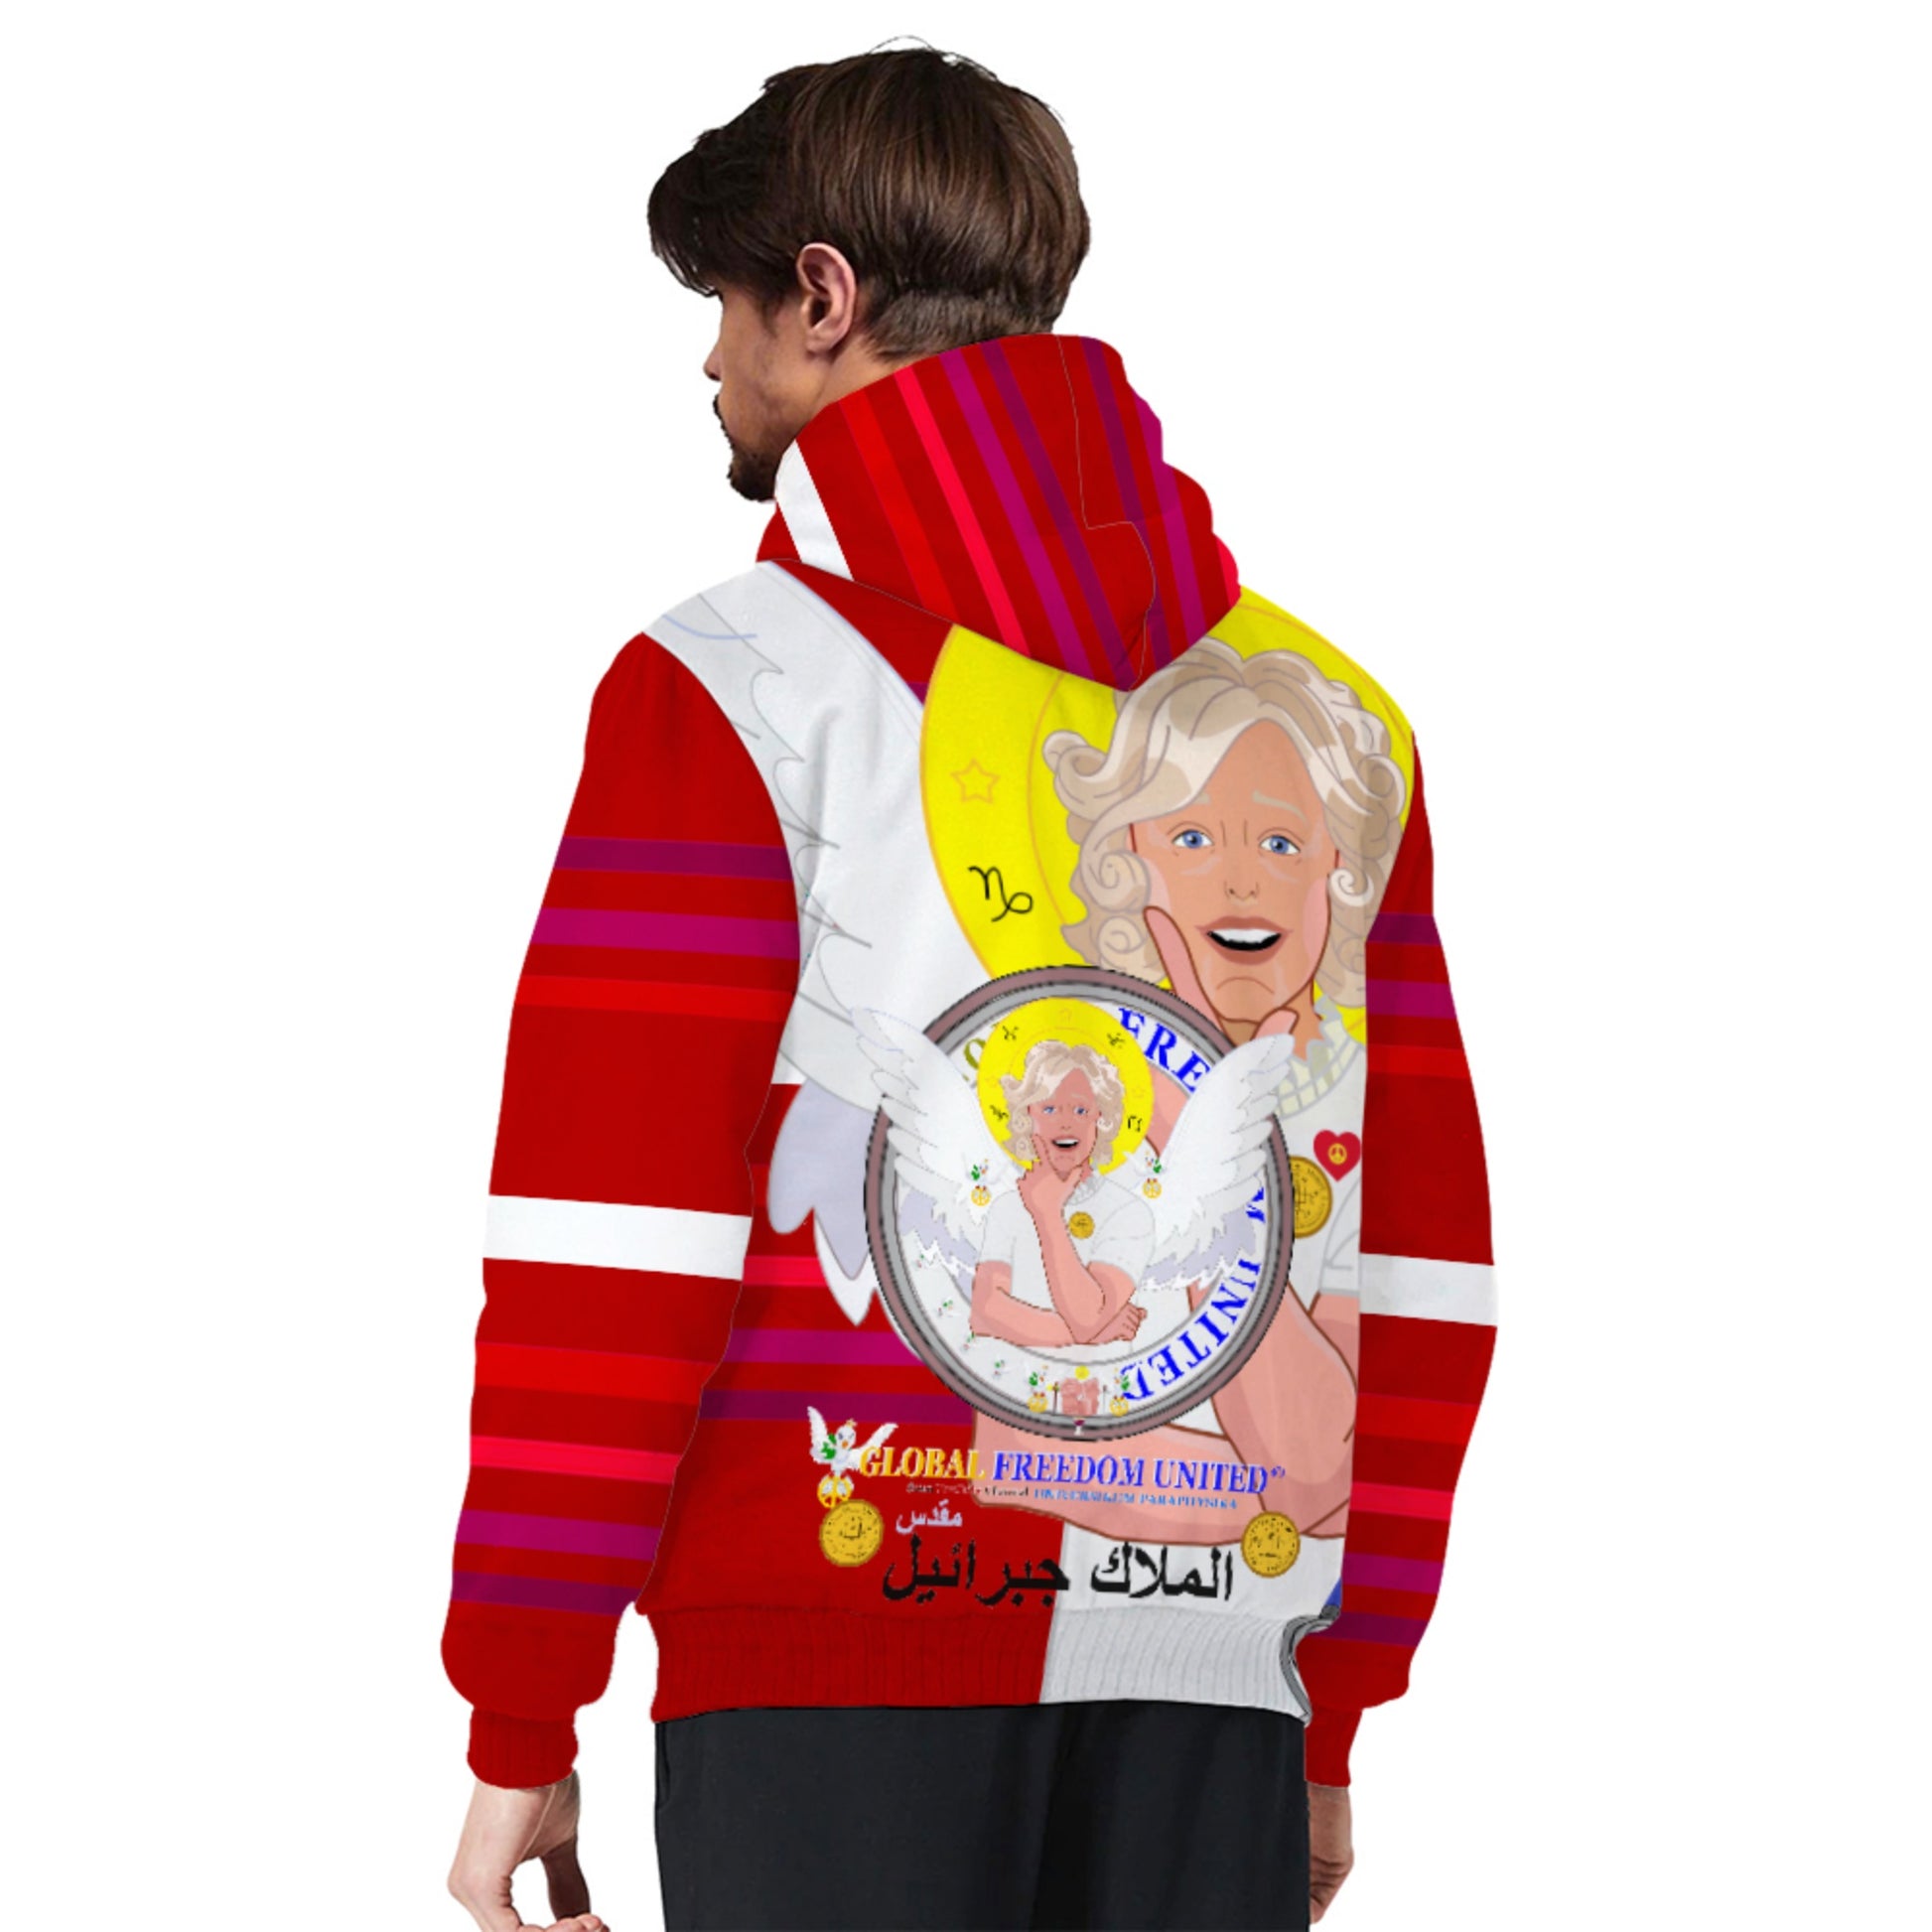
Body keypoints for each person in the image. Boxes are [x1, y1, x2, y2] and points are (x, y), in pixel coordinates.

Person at [441, 44, 1496, 1932]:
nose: (708, 363)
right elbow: (1421, 1268)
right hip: (1219, 1664)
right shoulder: (1329, 723)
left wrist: (522, 1698)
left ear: (821, 296)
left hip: (822, 1658)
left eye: (723, 305)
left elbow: (614, 1245)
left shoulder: (731, 691)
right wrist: (1331, 1701)